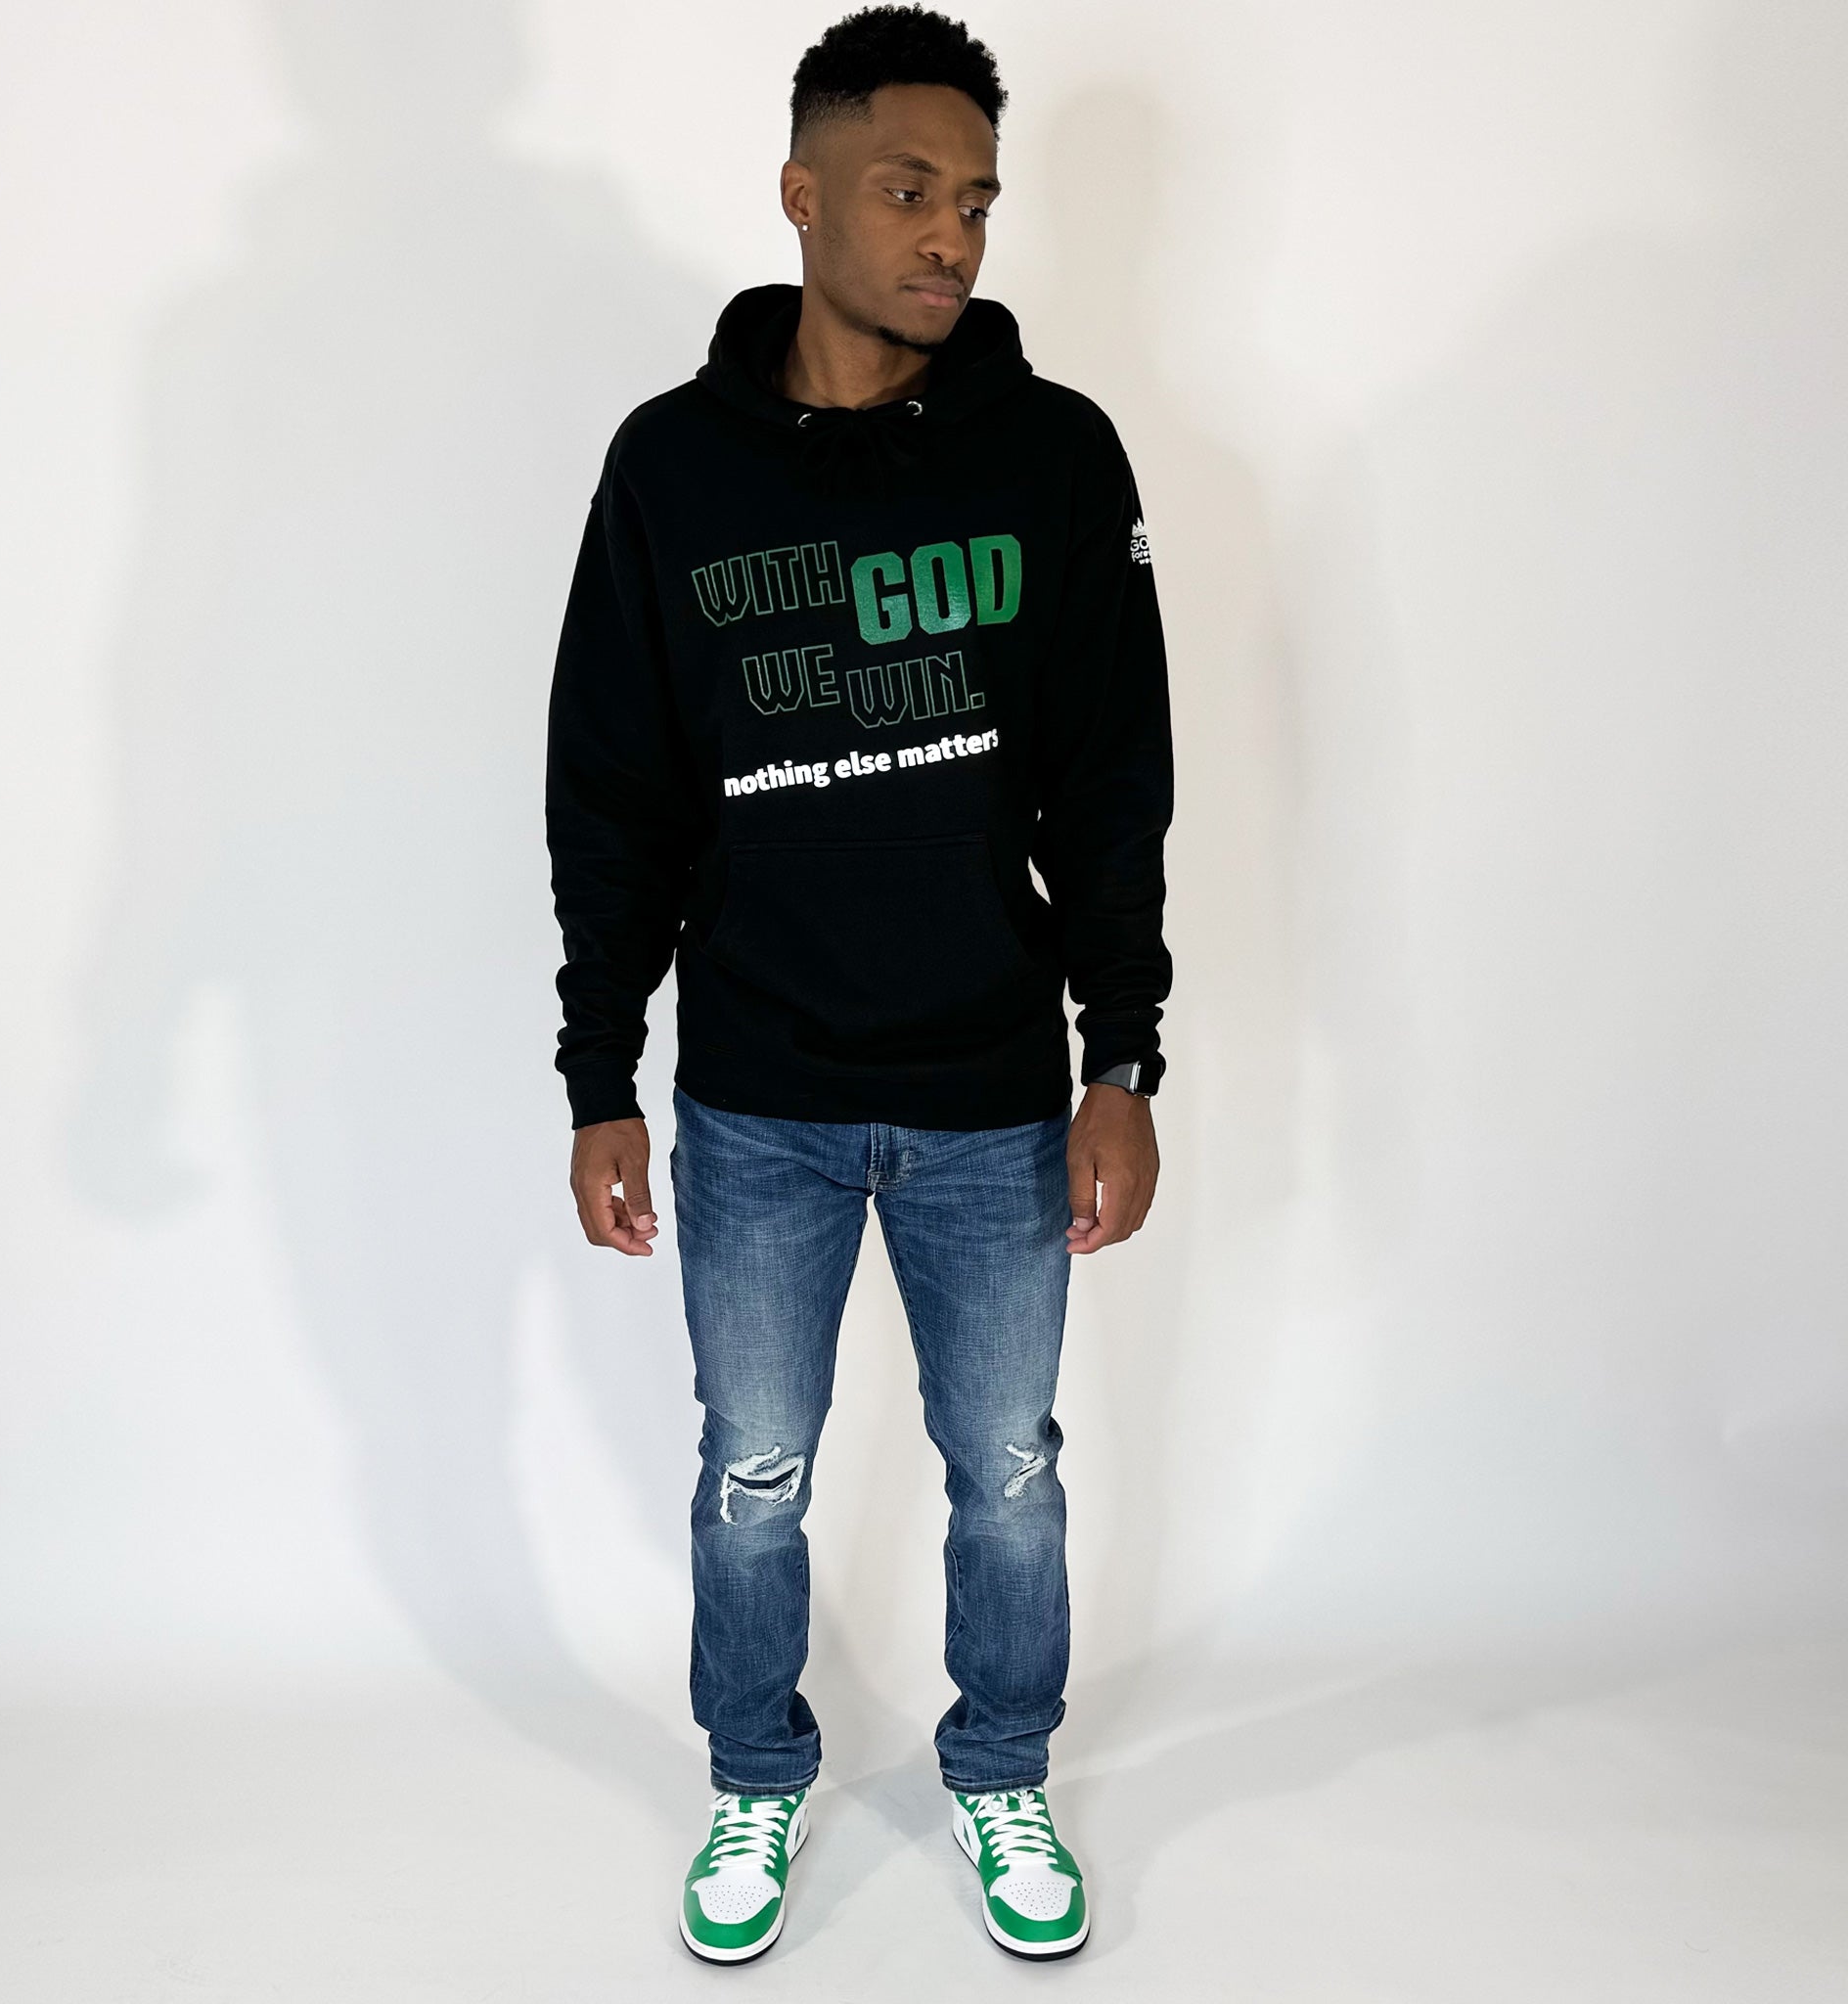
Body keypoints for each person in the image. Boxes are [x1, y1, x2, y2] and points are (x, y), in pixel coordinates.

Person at [544, 3, 1172, 1965]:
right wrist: (598, 1070)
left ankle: (1002, 1771)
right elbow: (611, 789)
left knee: (1010, 1475)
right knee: (753, 1476)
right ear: (802, 195)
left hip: (992, 1092)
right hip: (758, 1096)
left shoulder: (1054, 458)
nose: (951, 236)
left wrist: (1124, 1052)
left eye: (975, 199)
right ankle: (756, 1772)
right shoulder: (671, 469)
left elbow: (1114, 780)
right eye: (907, 190)